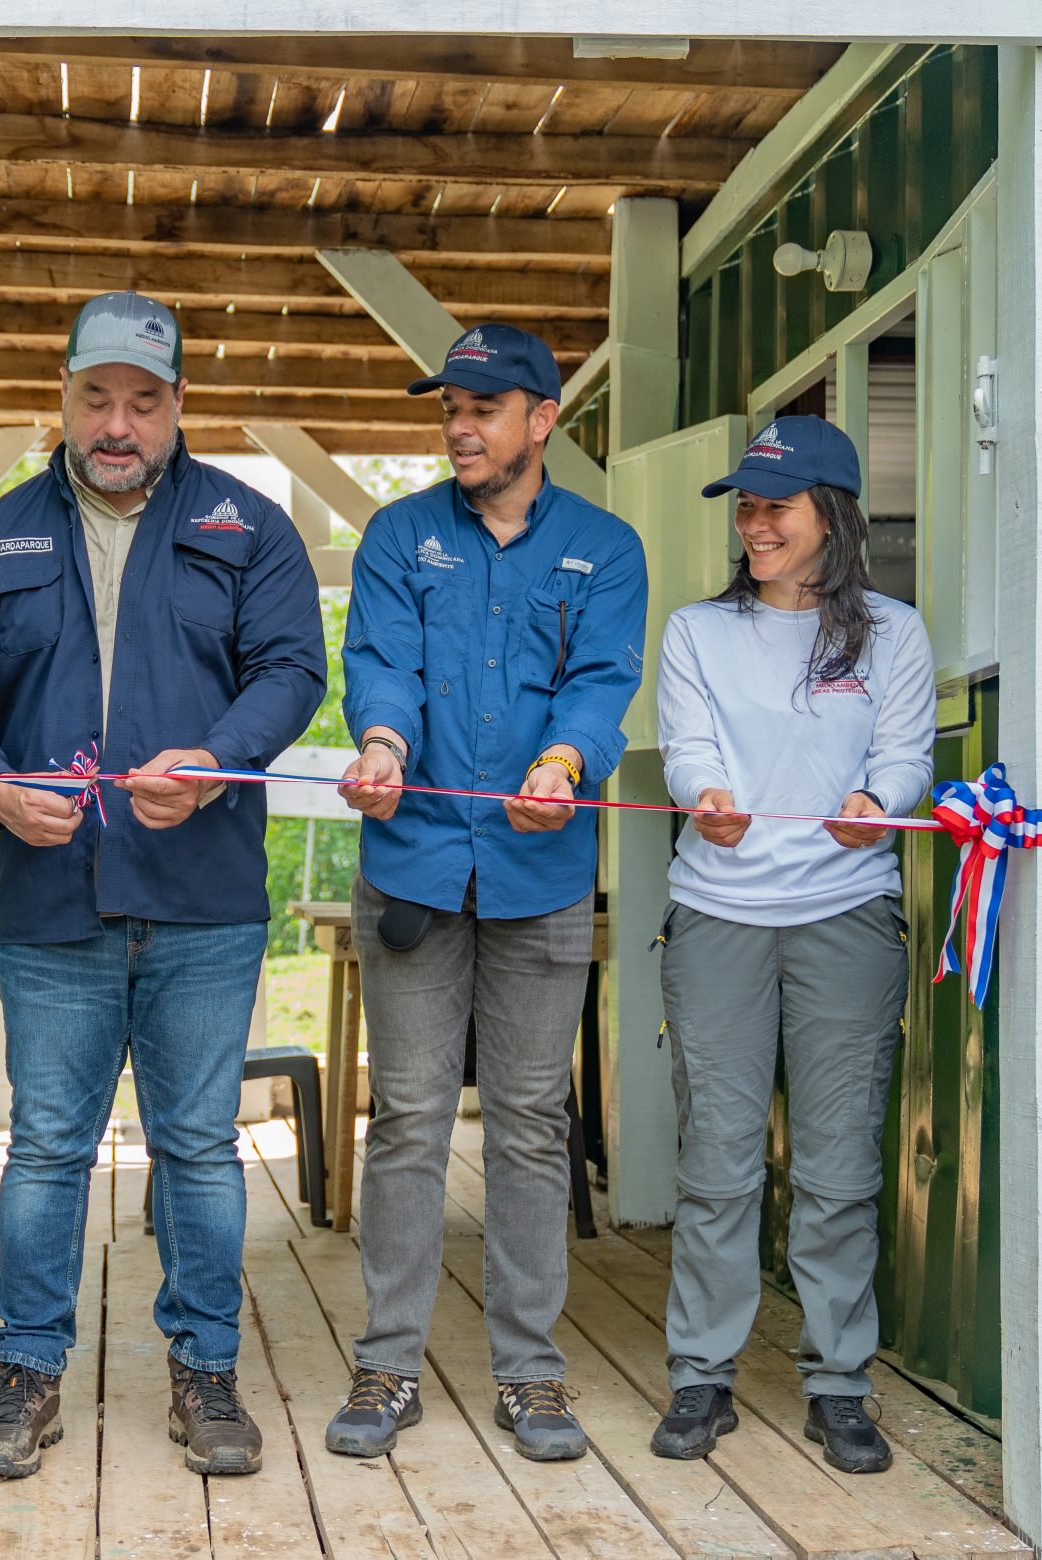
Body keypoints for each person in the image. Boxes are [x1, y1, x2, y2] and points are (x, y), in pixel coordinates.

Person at [0, 290, 325, 1481]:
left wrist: (217, 757)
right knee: (46, 1147)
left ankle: (206, 1376)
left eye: (143, 401)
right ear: (64, 396)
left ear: (178, 404)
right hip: (49, 899)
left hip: (204, 897)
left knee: (198, 1148)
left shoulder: (251, 527)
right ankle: (25, 1377)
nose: (116, 424)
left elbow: (293, 669)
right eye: (95, 397)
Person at [329, 324, 647, 1463]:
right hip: (411, 864)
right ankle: (387, 1364)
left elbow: (600, 682)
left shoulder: (606, 548)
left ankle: (531, 1375)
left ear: (541, 420)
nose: (459, 429)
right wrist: (381, 745)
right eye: (448, 410)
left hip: (541, 873)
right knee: (409, 1118)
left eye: (482, 409)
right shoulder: (397, 536)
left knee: (529, 1124)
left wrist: (562, 764)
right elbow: (383, 666)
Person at [647, 414, 934, 1475]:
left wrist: (879, 801)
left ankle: (839, 1385)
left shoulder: (894, 633)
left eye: (776, 506)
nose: (754, 524)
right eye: (746, 507)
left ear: (833, 515)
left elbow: (905, 754)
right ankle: (700, 1377)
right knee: (717, 1164)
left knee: (839, 1168)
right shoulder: (696, 631)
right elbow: (687, 746)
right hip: (718, 914)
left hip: (846, 916)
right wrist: (704, 796)